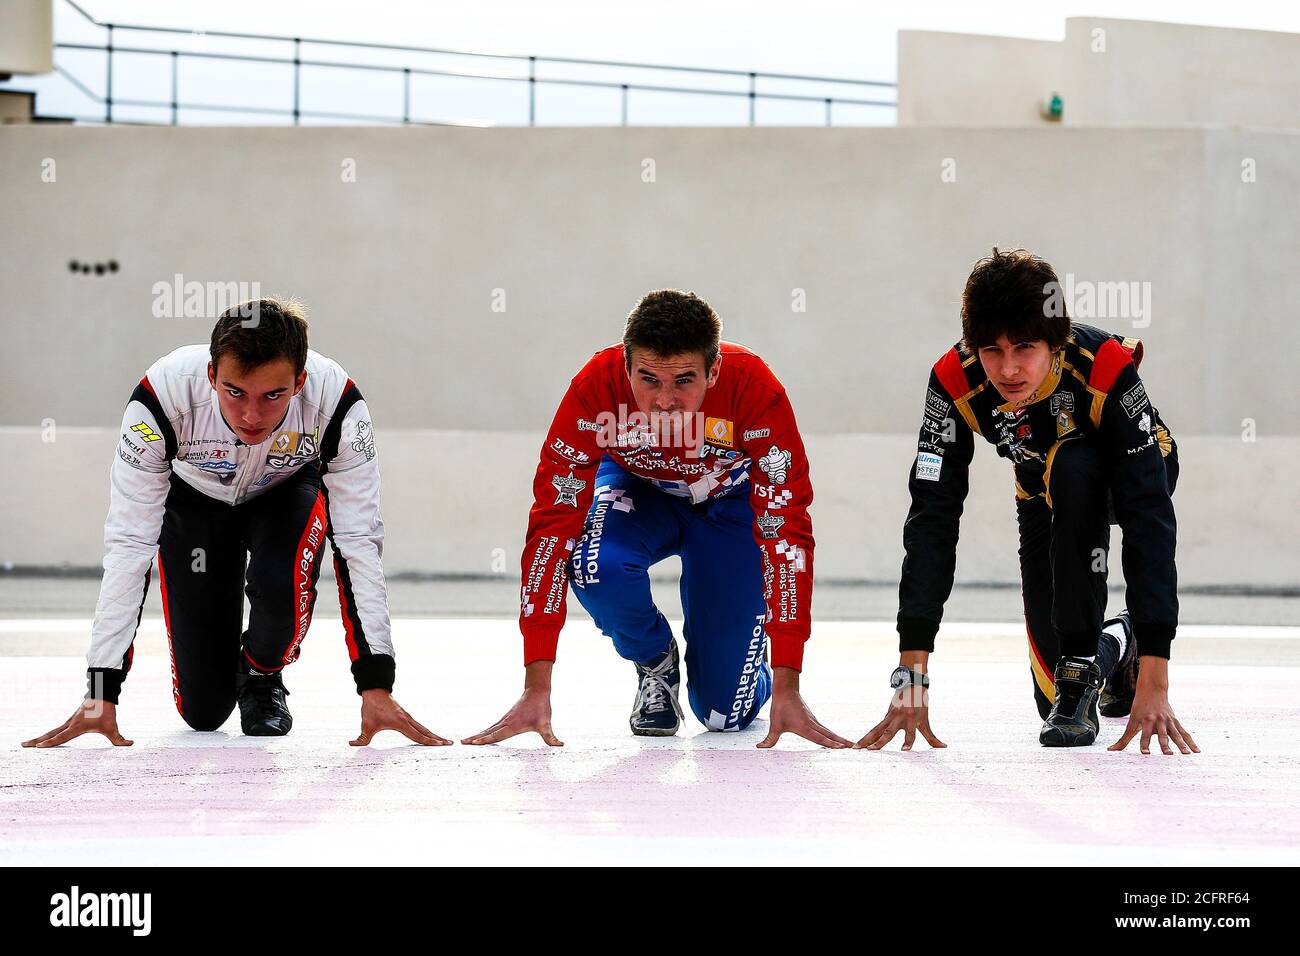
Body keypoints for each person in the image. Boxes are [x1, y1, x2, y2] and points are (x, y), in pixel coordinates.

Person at [23, 299, 447, 748]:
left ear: (300, 382)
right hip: (194, 503)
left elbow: (358, 541)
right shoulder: (161, 399)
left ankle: (263, 675)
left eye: (273, 396)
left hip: (286, 492)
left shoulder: (337, 404)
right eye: (235, 392)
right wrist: (101, 691)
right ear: (211, 376)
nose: (251, 416)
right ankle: (231, 678)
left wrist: (375, 684)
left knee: (280, 583)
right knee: (203, 712)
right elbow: (130, 544)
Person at [464, 289, 849, 748]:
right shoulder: (595, 387)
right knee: (591, 564)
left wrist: (789, 683)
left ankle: (747, 659)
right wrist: (536, 685)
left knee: (723, 716)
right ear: (624, 366)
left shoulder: (755, 389)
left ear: (715, 370)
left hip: (731, 507)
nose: (665, 401)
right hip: (638, 492)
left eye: (684, 380)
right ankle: (655, 662)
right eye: (648, 380)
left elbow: (786, 534)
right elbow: (551, 526)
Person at [858, 249, 1198, 754]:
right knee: (1053, 700)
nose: (1009, 369)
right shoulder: (954, 379)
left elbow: (1149, 520)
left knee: (1075, 464)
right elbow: (932, 517)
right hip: (1039, 485)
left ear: (1056, 343)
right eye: (992, 351)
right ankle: (1112, 645)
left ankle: (1090, 666)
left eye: (1024, 348)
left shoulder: (1103, 367)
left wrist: (1157, 678)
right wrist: (912, 674)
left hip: (1132, 471)